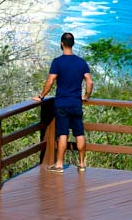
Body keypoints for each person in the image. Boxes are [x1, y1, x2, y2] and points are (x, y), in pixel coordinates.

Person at [33, 32, 94, 173]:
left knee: (62, 134)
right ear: (73, 44)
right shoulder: (81, 62)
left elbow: (50, 81)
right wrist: (86, 96)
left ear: (61, 43)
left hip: (62, 103)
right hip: (76, 103)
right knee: (79, 133)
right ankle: (82, 164)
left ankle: (59, 164)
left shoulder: (57, 62)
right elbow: (89, 82)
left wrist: (41, 96)